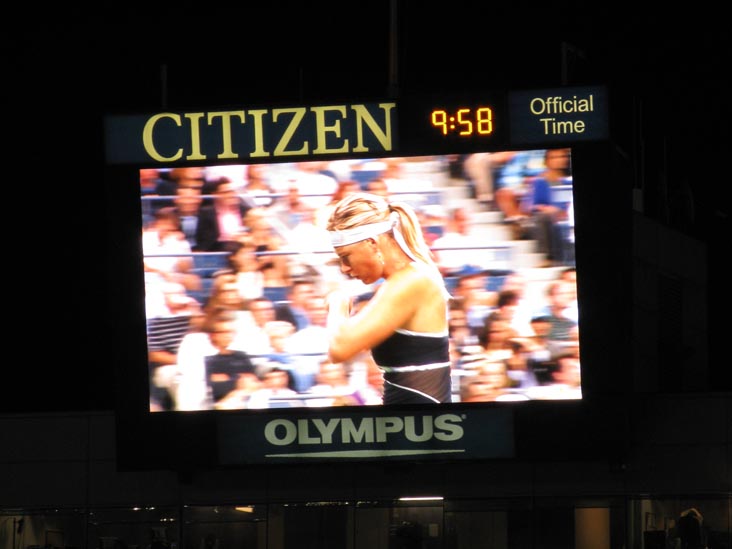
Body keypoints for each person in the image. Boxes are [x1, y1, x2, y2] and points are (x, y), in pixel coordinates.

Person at [325, 192, 452, 405]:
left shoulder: (413, 280)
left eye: (345, 256)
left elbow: (339, 348)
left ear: (372, 244)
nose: (344, 268)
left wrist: (337, 303)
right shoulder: (403, 281)